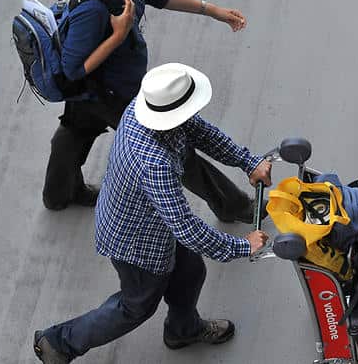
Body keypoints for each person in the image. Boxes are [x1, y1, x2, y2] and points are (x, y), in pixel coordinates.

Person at [33, 63, 272, 363]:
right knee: (136, 307)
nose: (193, 115)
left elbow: (202, 133)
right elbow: (186, 228)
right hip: (136, 243)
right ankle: (58, 342)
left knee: (190, 273)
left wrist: (248, 162)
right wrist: (242, 246)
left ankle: (183, 330)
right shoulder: (154, 162)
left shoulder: (144, 107)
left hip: (153, 220)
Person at [43, 0, 257, 223]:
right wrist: (119, 35)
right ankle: (233, 205)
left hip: (112, 85)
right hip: (111, 93)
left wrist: (212, 11)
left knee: (75, 132)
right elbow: (73, 69)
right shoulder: (90, 2)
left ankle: (59, 193)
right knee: (173, 147)